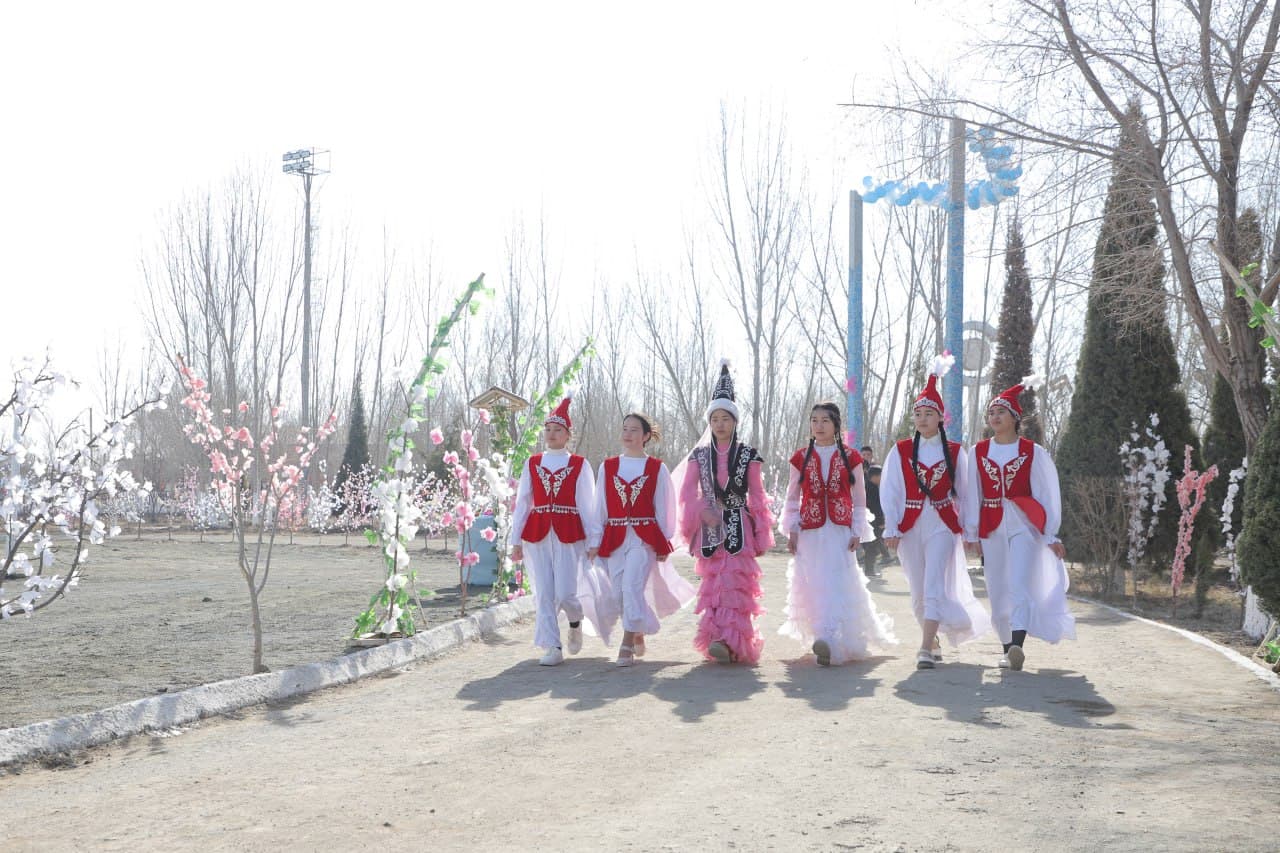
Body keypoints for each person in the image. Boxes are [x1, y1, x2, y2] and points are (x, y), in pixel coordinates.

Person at [880, 356, 991, 670]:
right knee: (917, 592)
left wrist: (971, 532)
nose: (922, 418)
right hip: (910, 525)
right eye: (918, 413)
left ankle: (925, 648)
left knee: (933, 586)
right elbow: (890, 490)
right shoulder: (900, 450)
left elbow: (968, 495)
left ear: (941, 418)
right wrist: (891, 527)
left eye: (929, 413)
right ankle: (933, 637)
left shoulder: (956, 452)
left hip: (942, 524)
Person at [964, 378, 1076, 670]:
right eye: (991, 413)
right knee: (997, 588)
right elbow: (971, 493)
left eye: (1001, 412)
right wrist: (972, 533)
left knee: (1019, 584)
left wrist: (1051, 532)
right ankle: (1006, 649)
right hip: (991, 525)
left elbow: (1047, 492)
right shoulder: (977, 452)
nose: (995, 417)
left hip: (1024, 525)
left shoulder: (1033, 451)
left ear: (1015, 417)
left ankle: (1016, 645)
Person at [778, 401, 896, 666]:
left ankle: (830, 638)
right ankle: (822, 635)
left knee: (838, 579)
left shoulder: (851, 456)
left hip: (839, 529)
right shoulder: (799, 457)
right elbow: (792, 497)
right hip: (809, 530)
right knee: (815, 579)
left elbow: (860, 497)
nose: (819, 426)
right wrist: (792, 529)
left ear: (836, 425)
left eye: (825, 421)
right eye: (814, 420)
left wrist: (857, 530)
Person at [675, 361, 774, 664]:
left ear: (734, 421)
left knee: (735, 582)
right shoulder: (700, 456)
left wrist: (761, 532)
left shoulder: (748, 455)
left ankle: (733, 641)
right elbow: (686, 493)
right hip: (709, 527)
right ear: (709, 422)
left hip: (738, 526)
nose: (719, 424)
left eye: (725, 418)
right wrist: (701, 511)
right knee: (714, 583)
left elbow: (757, 494)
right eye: (714, 418)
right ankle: (717, 639)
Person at [509, 395, 611, 666]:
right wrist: (515, 539)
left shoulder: (579, 464)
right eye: (548, 429)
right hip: (537, 534)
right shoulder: (532, 463)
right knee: (544, 593)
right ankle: (552, 646)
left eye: (557, 430)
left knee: (566, 593)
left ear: (568, 435)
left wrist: (593, 539)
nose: (551, 434)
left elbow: (587, 505)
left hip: (568, 534)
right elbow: (522, 502)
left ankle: (575, 621)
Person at [596, 413, 696, 667]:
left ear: (645, 436)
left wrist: (663, 540)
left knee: (631, 587)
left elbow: (665, 507)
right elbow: (600, 507)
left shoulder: (656, 468)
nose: (627, 434)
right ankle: (638, 629)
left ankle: (627, 642)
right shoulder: (607, 467)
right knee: (618, 593)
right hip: (615, 537)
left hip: (644, 539)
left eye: (633, 430)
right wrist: (595, 540)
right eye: (624, 428)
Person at [862, 465, 889, 578]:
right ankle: (869, 571)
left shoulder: (867, 486)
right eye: (881, 476)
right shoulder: (872, 489)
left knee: (871, 547)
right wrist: (881, 521)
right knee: (872, 547)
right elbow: (876, 508)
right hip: (873, 523)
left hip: (867, 522)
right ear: (875, 476)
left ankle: (869, 569)